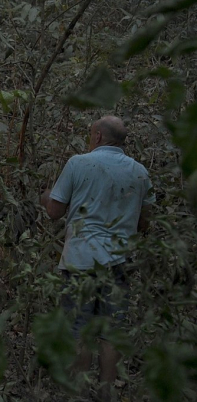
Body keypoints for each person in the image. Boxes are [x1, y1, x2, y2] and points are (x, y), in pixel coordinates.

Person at [41, 115, 154, 401]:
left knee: (78, 328)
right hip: (118, 262)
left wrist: (45, 196)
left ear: (98, 136)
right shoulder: (139, 172)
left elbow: (54, 211)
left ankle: (79, 393)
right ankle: (106, 393)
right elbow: (145, 222)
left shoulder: (79, 163)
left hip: (80, 260)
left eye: (92, 134)